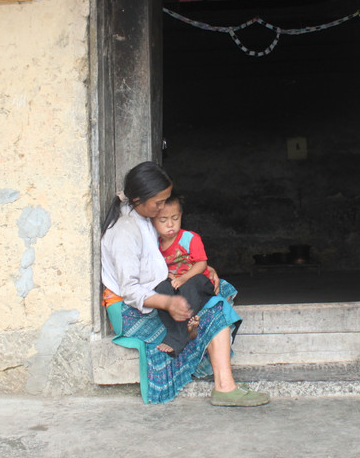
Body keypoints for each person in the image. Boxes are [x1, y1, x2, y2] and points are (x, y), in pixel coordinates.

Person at [101, 161, 270, 406]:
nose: (162, 209)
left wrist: (198, 270)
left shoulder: (142, 215)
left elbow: (161, 259)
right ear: (137, 199)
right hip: (130, 311)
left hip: (157, 292)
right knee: (213, 307)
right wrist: (169, 302)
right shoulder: (124, 232)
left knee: (214, 287)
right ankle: (224, 386)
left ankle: (220, 377)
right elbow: (130, 291)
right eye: (159, 202)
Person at [150, 192, 215, 356]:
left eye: (175, 218)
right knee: (160, 289)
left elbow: (201, 263)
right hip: (176, 287)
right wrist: (168, 276)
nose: (170, 224)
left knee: (192, 284)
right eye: (163, 220)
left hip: (198, 284)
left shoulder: (190, 238)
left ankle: (178, 337)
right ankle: (186, 328)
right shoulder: (153, 244)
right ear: (152, 221)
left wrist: (184, 278)